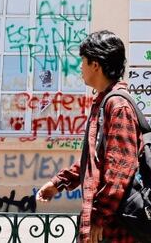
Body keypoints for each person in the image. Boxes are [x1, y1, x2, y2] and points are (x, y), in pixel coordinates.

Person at [36, 31, 141, 243]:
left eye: (83, 61)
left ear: (96, 64)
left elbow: (120, 167)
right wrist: (59, 183)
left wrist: (99, 217)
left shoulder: (117, 105)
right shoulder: (103, 102)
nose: (80, 67)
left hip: (112, 230)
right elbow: (95, 159)